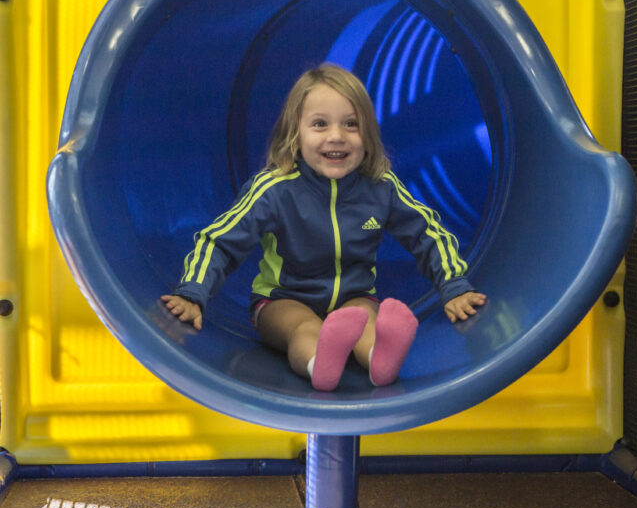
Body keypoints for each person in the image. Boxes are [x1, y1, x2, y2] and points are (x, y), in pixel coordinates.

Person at [162, 63, 486, 390]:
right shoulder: (275, 189)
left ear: (369, 135)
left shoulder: (379, 186)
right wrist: (193, 293)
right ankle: (321, 364)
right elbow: (221, 241)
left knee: (365, 322)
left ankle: (381, 360)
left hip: (354, 299)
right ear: (295, 133)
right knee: (302, 328)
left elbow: (427, 233)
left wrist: (454, 286)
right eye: (319, 124)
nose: (336, 136)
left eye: (351, 124)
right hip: (282, 298)